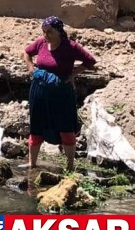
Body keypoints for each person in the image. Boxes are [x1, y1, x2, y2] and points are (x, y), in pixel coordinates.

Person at [21, 16, 97, 172]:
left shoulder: (70, 47)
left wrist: (73, 73)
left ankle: (70, 165)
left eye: (50, 32)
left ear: (59, 31)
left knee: (65, 126)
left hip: (61, 93)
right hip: (40, 91)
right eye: (44, 32)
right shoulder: (41, 43)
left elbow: (90, 61)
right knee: (37, 125)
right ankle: (32, 163)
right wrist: (31, 68)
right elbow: (26, 52)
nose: (46, 35)